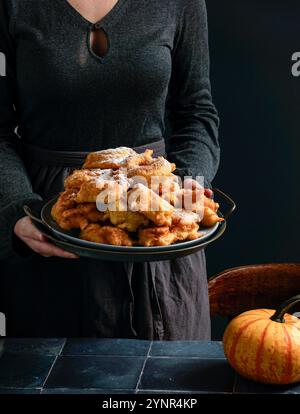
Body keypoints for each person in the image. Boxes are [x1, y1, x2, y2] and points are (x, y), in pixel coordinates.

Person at [0, 0, 220, 339]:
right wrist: (17, 210)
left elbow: (197, 113)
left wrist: (185, 192)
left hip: (157, 225)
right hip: (53, 224)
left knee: (166, 381)